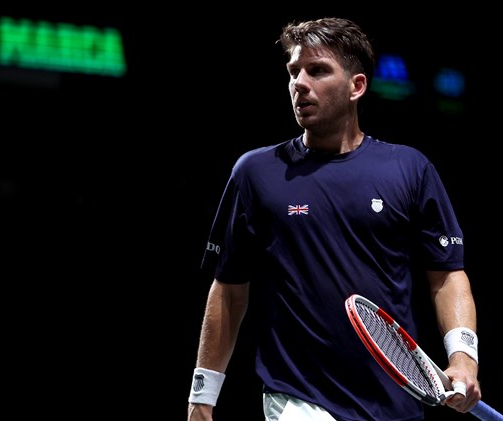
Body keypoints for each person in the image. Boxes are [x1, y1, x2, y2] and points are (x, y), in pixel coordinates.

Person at [187, 17, 482, 421]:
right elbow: (229, 290)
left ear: (356, 87)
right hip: (297, 399)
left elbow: (447, 276)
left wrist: (464, 358)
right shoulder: (255, 173)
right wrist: (202, 396)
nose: (299, 84)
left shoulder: (410, 169)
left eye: (318, 70)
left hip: (396, 404)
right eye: (293, 72)